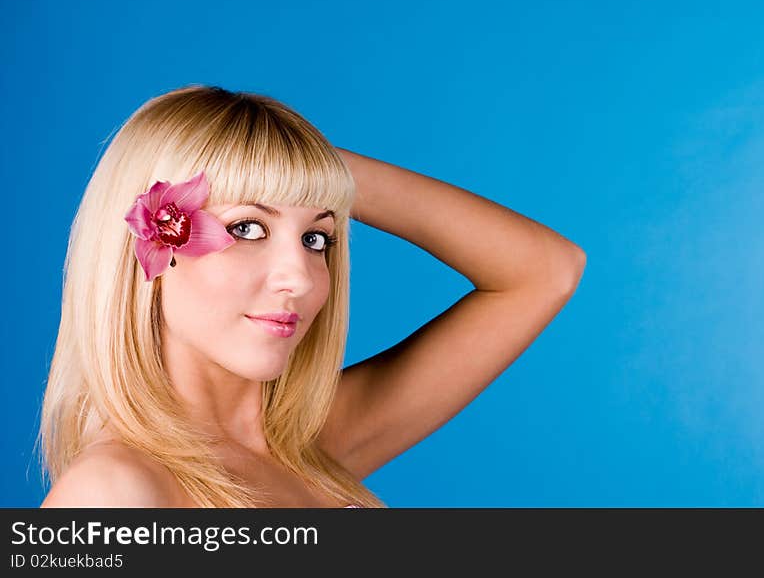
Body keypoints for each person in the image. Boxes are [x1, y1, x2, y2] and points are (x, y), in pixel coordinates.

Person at [39, 84, 586, 508]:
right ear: (150, 241)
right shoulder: (116, 492)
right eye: (247, 229)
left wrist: (304, 169)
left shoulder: (311, 446)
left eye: (316, 238)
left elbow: (545, 269)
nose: (299, 277)